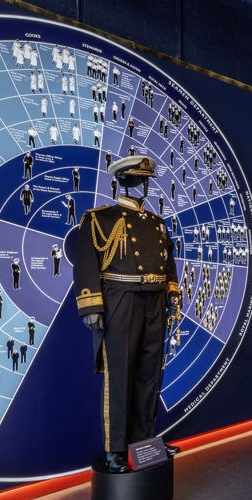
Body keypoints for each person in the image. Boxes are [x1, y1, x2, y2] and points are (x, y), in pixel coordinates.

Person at [74, 155, 182, 472]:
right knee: (119, 375)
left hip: (154, 302)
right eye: (138, 180)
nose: (144, 187)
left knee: (149, 373)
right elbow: (85, 263)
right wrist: (91, 304)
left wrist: (172, 292)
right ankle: (115, 449)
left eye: (145, 181)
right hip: (120, 299)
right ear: (122, 181)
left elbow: (168, 262)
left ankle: (146, 441)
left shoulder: (156, 223)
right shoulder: (100, 219)